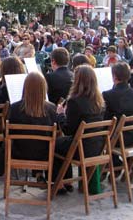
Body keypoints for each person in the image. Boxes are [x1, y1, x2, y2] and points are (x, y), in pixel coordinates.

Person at [0, 72, 58, 177]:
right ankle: (40, 174)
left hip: (18, 153)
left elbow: (7, 134)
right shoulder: (52, 108)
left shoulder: (15, 108)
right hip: (44, 154)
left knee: (8, 142)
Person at [53, 65, 105, 193]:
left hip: (81, 147)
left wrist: (60, 114)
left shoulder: (75, 101)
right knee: (63, 143)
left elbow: (68, 130)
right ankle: (67, 181)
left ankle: (61, 183)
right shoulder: (99, 100)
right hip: (97, 146)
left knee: (53, 144)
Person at [102, 62, 133, 166]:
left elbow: (105, 119)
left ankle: (113, 164)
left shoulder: (108, 95)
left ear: (114, 76)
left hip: (116, 138)